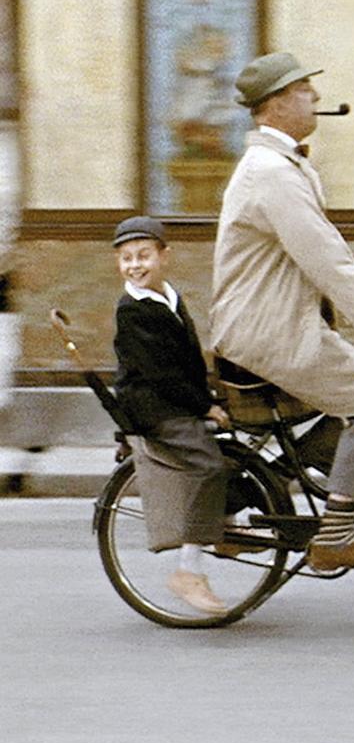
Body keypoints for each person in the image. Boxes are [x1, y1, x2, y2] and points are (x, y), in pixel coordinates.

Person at [209, 52, 354, 571]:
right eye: (302, 89)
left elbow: (324, 257)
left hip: (278, 325)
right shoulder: (271, 172)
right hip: (269, 331)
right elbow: (327, 259)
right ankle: (335, 537)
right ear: (275, 104)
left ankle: (274, 482)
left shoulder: (280, 166)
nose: (314, 96)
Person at [112, 215, 231, 616]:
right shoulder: (132, 310)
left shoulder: (169, 298)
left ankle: (226, 524)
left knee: (233, 453)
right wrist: (204, 406)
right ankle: (188, 571)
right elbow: (159, 374)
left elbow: (188, 362)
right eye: (127, 258)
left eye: (143, 255)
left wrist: (211, 396)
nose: (135, 265)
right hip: (154, 408)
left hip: (175, 399)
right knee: (208, 465)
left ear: (164, 256)